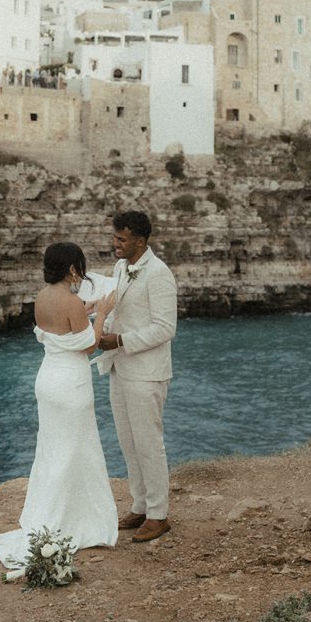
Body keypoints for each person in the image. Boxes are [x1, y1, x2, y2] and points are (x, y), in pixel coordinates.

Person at [0, 242, 118, 568]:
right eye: (80, 267)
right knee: (76, 451)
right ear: (73, 269)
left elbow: (60, 329)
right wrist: (101, 314)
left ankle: (46, 516)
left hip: (47, 381)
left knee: (52, 451)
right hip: (71, 385)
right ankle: (71, 522)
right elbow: (87, 344)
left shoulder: (42, 297)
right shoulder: (72, 301)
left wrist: (86, 310)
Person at [96, 211, 177, 543]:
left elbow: (165, 328)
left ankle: (159, 515)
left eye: (121, 239)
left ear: (140, 242)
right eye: (115, 237)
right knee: (129, 443)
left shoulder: (159, 274)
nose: (114, 243)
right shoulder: (119, 267)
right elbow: (116, 308)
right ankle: (140, 505)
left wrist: (121, 340)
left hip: (146, 373)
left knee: (149, 444)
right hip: (120, 367)